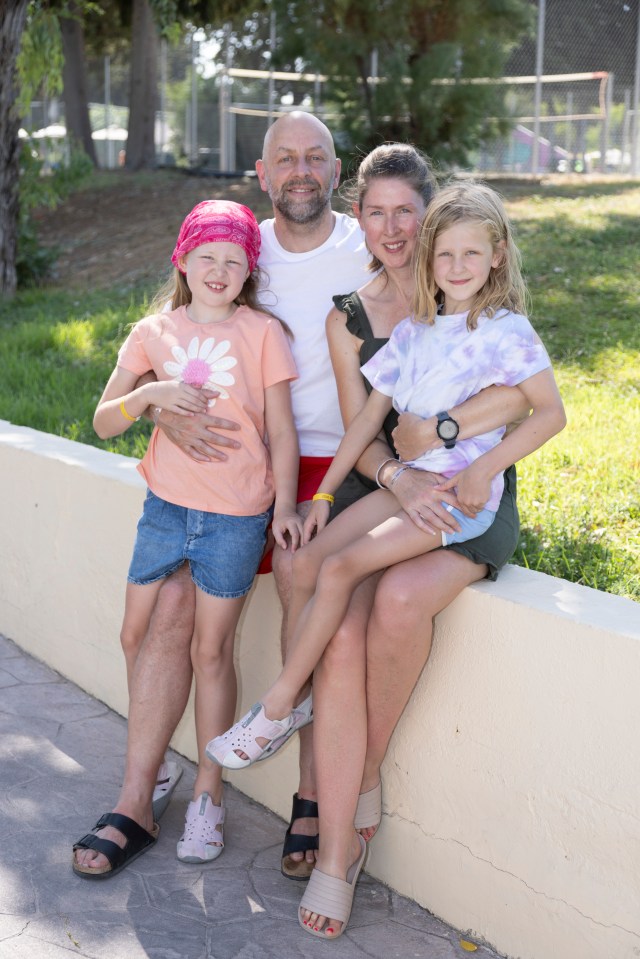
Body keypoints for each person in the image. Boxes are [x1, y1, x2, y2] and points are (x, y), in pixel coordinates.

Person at [208, 178, 565, 768]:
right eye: (445, 253)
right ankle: (296, 703)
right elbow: (367, 422)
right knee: (311, 560)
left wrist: (485, 470)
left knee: (343, 566)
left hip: (455, 495)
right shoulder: (413, 332)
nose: (456, 266)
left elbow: (548, 413)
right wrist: (322, 495)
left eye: (471, 253)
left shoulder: (507, 331)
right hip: (409, 483)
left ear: (497, 254)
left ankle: (275, 708)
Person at [72, 200, 302, 877]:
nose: (220, 270)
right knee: (134, 636)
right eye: (207, 256)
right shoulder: (153, 332)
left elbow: (283, 431)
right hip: (165, 510)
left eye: (235, 260)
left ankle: (207, 792)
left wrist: (285, 504)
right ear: (182, 259)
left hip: (236, 515)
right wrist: (151, 395)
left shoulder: (263, 332)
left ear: (249, 270)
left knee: (210, 650)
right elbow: (103, 420)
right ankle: (153, 772)